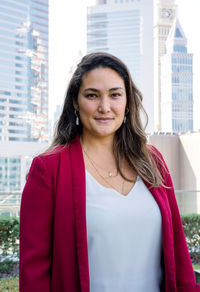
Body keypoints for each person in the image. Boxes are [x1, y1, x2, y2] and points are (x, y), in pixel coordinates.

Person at [19, 52, 200, 292]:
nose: (105, 107)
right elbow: (33, 272)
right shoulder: (49, 170)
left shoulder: (152, 160)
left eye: (115, 95)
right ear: (75, 102)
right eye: (92, 95)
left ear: (127, 103)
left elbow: (178, 253)